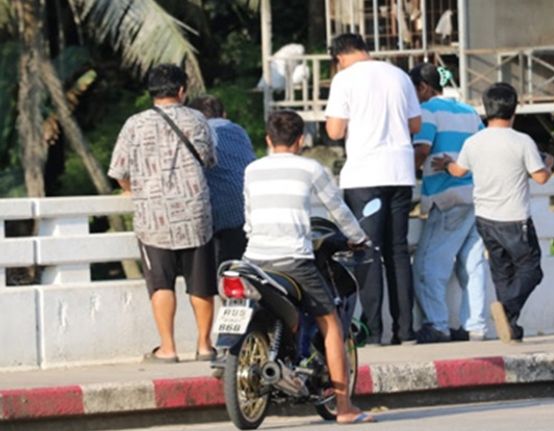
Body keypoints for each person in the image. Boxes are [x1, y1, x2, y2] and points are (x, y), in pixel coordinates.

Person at [243, 110, 375, 424]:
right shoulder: (310, 168)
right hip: (294, 261)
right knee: (332, 324)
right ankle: (344, 409)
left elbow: (249, 216)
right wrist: (357, 238)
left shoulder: (252, 169)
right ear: (301, 140)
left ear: (268, 140)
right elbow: (338, 210)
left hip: (253, 260)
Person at [108, 64, 218, 362]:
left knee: (161, 282)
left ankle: (168, 348)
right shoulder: (197, 119)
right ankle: (205, 345)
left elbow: (118, 170)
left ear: (151, 92)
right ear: (182, 90)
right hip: (195, 214)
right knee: (201, 283)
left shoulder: (134, 124)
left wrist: (133, 188)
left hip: (154, 217)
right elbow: (209, 160)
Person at [432, 82, 554, 344]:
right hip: (515, 219)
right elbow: (541, 177)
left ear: (485, 110)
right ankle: (507, 308)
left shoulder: (473, 142)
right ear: (514, 110)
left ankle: (510, 327)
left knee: (502, 272)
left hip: (485, 220)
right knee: (532, 271)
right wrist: (549, 163)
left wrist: (446, 164)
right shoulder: (522, 141)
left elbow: (458, 172)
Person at [325, 33, 422, 345]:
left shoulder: (344, 79)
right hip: (401, 172)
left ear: (338, 57)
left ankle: (373, 331)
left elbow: (335, 129)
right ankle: (405, 331)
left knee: (368, 251)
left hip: (365, 176)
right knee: (397, 251)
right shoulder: (399, 75)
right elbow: (415, 125)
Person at [409, 63, 489, 344]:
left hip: (447, 196)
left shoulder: (427, 111)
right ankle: (476, 327)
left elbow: (422, 149)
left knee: (428, 265)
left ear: (423, 88)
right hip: (475, 194)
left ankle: (438, 324)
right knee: (472, 264)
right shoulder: (468, 111)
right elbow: (482, 148)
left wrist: (404, 174)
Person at [188, 95, 256, 267]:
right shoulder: (239, 131)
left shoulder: (197, 134)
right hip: (247, 210)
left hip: (218, 215)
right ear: (224, 114)